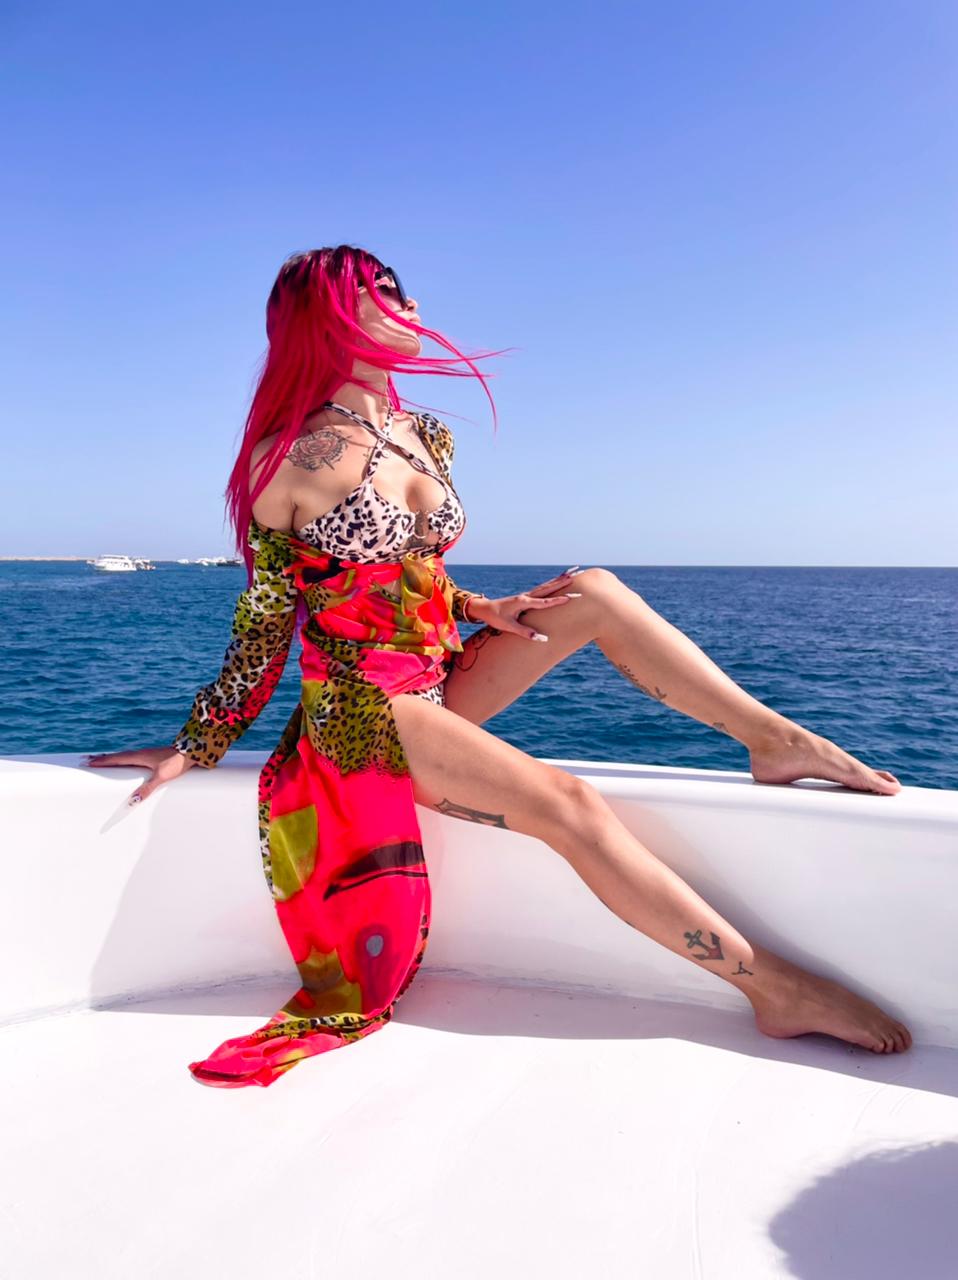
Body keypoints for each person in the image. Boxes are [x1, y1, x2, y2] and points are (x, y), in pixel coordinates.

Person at [86, 245, 911, 1086]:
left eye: (402, 287)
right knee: (568, 802)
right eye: (379, 291)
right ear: (325, 318)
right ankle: (771, 987)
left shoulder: (424, 435)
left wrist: (484, 608)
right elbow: (266, 618)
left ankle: (775, 741)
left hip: (433, 676)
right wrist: (199, 742)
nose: (407, 302)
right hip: (360, 706)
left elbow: (415, 572)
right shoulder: (287, 458)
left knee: (594, 590)